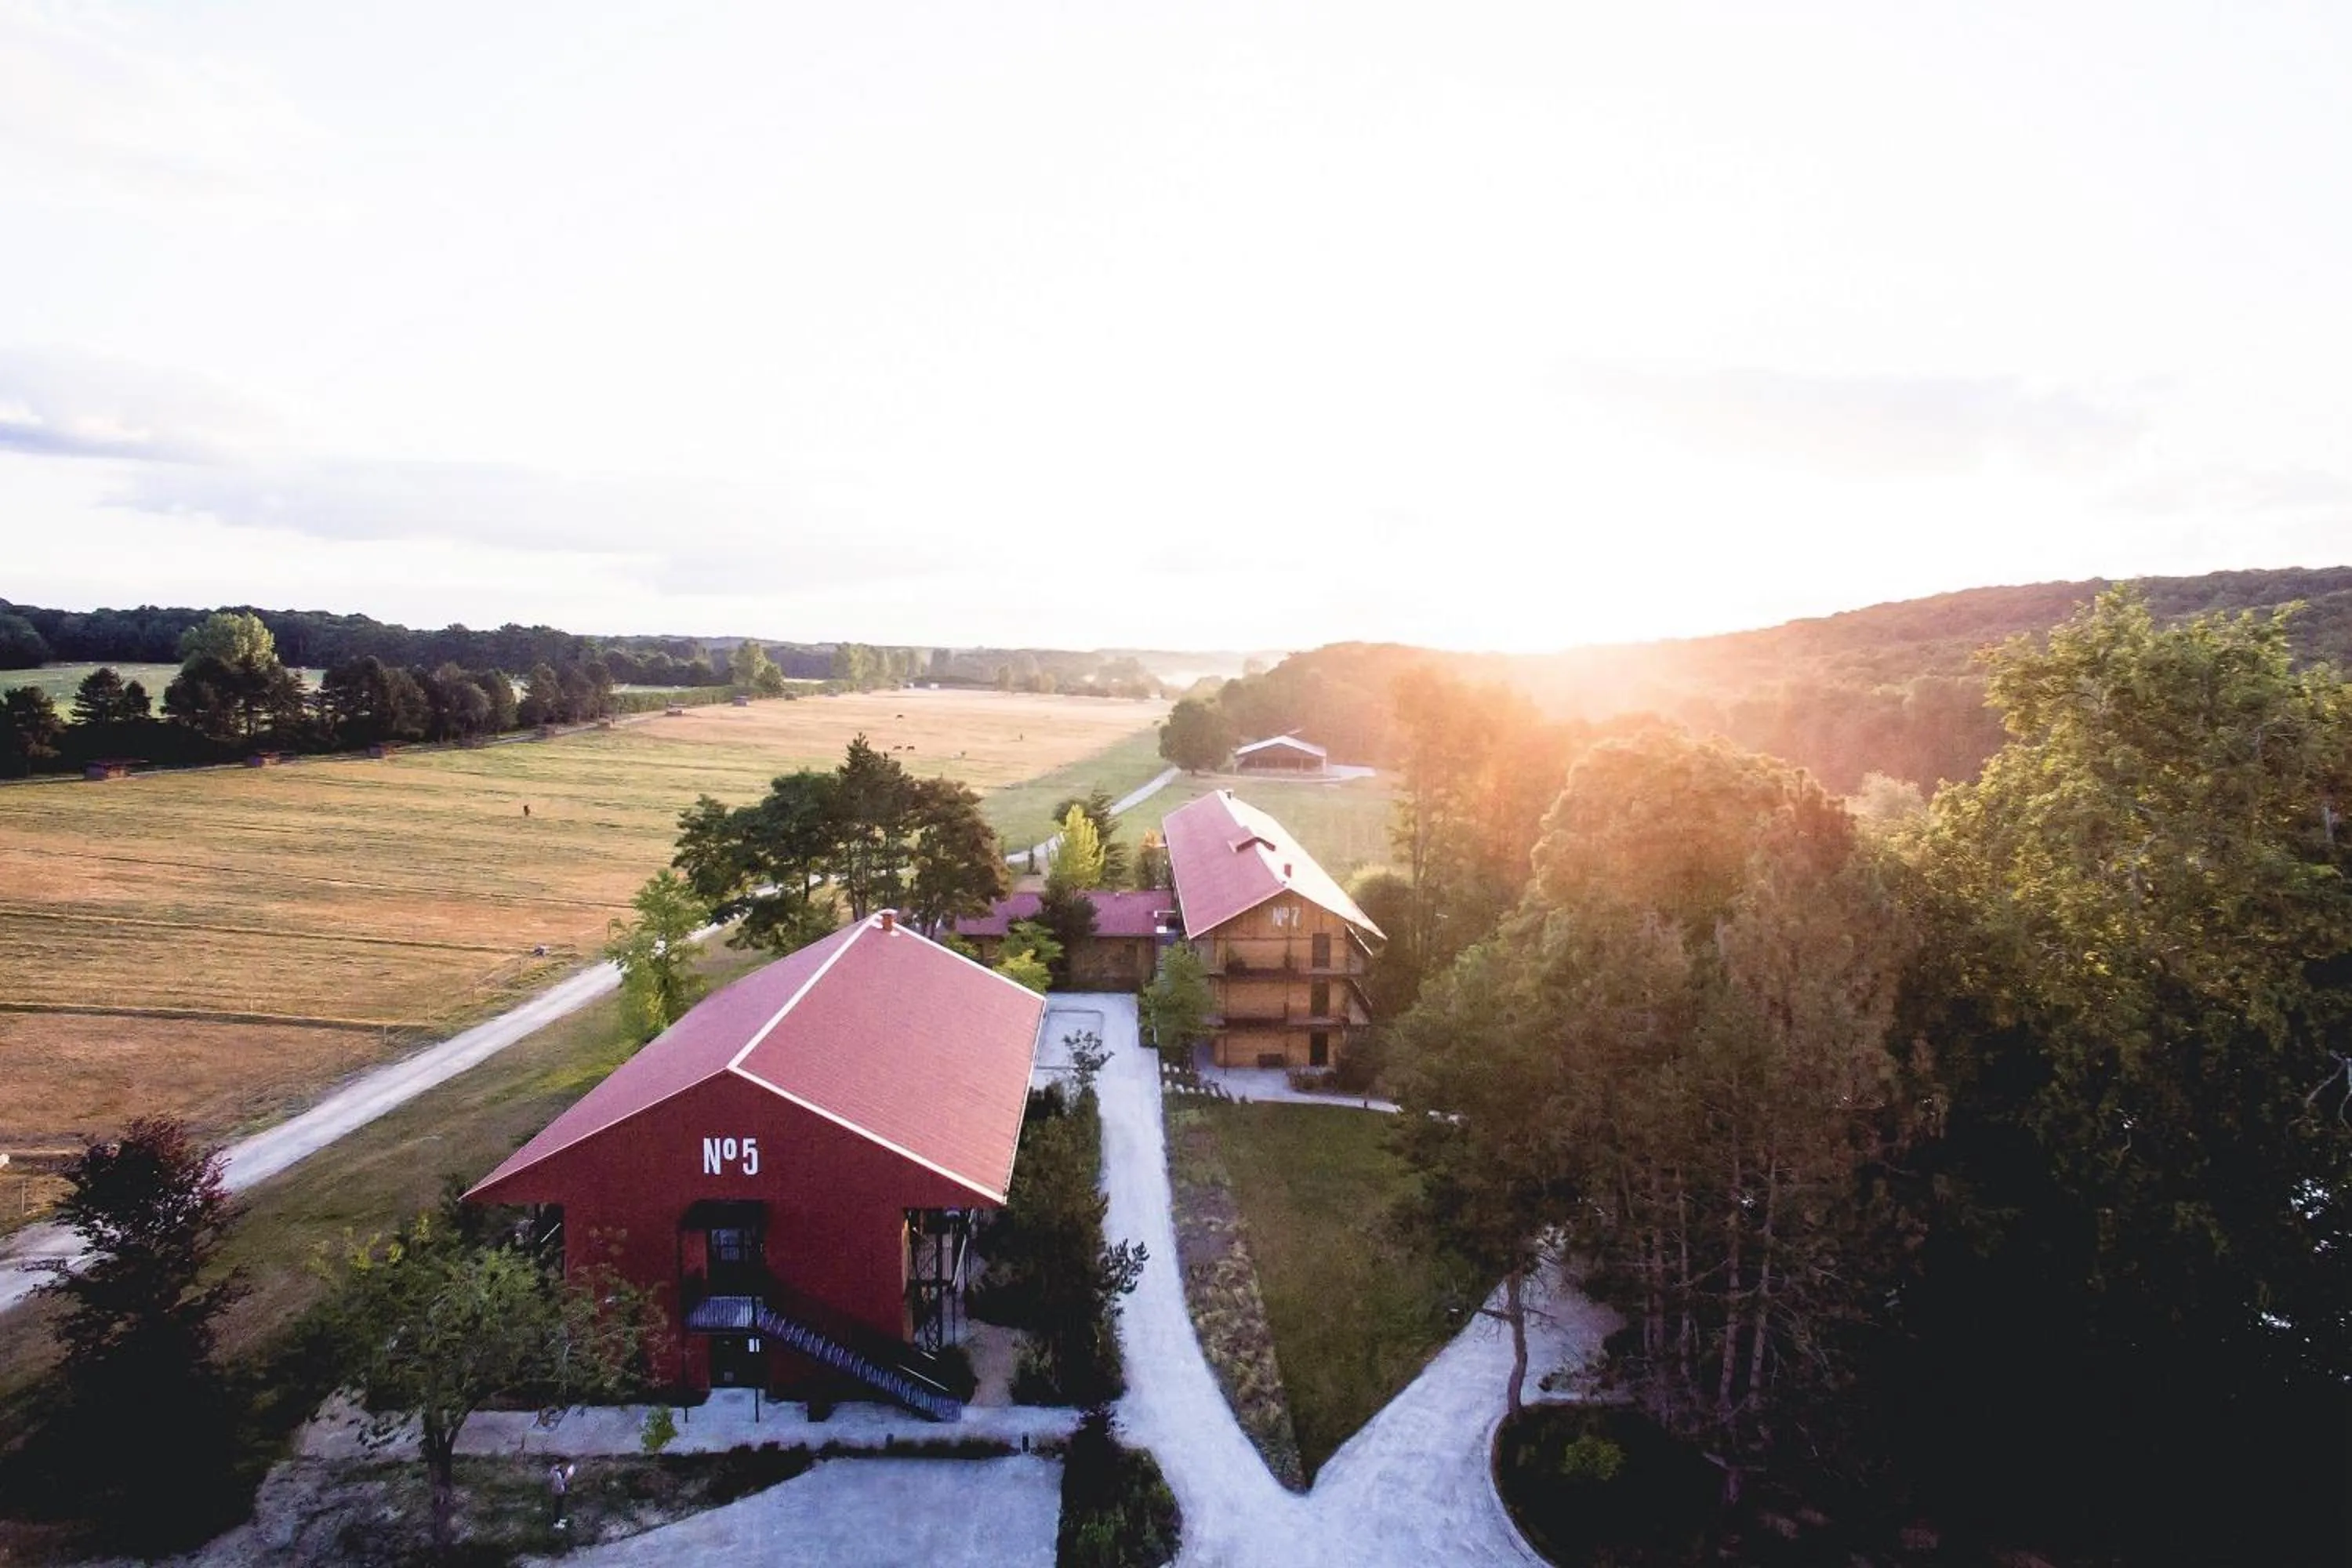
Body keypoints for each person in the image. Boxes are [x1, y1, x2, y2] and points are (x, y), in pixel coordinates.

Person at [549, 1459, 575, 1530]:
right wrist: (567, 1478)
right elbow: (558, 1484)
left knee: (560, 1505)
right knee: (557, 1507)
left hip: (560, 1491)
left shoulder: (557, 1471)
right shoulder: (555, 1473)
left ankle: (559, 1518)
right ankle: (556, 1523)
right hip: (557, 1492)